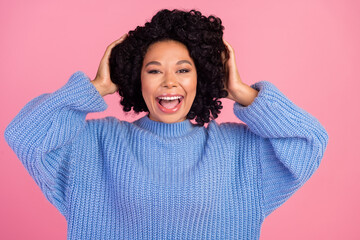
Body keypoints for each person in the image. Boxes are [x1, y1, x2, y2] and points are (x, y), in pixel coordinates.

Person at [4, 9, 328, 240]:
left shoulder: (239, 151)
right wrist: (96, 87)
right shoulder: (94, 143)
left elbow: (309, 141)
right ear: (136, 78)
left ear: (201, 77)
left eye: (184, 70)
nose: (169, 83)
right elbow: (24, 134)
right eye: (155, 70)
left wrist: (241, 92)